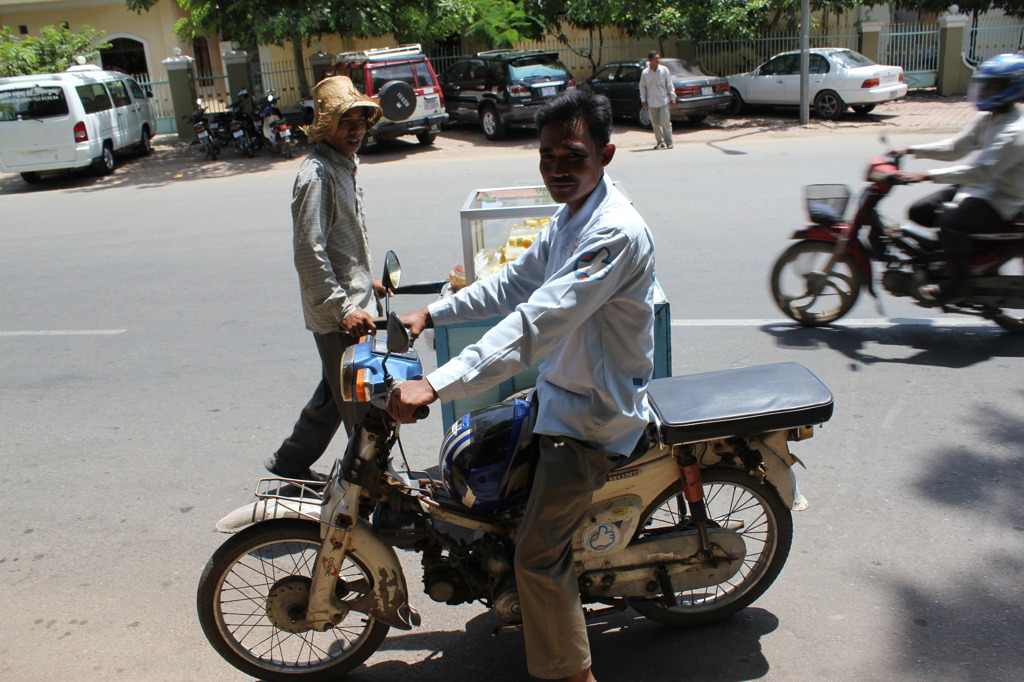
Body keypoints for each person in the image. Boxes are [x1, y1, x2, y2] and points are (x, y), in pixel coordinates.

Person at [387, 89, 656, 682]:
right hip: (560, 391)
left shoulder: (612, 234)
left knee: (538, 555)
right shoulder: (569, 218)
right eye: (547, 156)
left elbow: (537, 322)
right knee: (475, 452)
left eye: (574, 156)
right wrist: (432, 315)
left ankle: (572, 673)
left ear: (606, 155)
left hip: (591, 414)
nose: (558, 169)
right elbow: (513, 285)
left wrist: (436, 384)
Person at [263, 76, 385, 481]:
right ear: (325, 125)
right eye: (345, 120)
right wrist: (344, 307)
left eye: (360, 120)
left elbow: (343, 239)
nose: (355, 129)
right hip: (339, 315)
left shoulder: (344, 165)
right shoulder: (316, 176)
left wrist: (368, 281)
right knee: (361, 407)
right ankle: (367, 491)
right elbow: (308, 252)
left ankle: (291, 463)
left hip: (353, 303)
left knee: (335, 394)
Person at [895, 53, 1024, 302]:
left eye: (993, 86)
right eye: (985, 85)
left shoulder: (1014, 131)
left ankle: (959, 283)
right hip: (977, 188)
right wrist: (911, 150)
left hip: (1000, 200)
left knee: (951, 224)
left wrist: (925, 175)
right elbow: (957, 147)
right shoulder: (989, 119)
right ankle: (944, 260)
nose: (986, 90)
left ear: (1011, 88)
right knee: (920, 211)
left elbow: (980, 170)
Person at [639, 50, 674, 150]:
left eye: (658, 58)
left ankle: (669, 142)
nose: (658, 60)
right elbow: (642, 87)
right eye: (655, 58)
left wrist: (672, 97)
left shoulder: (664, 70)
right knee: (655, 123)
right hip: (651, 101)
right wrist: (643, 100)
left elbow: (669, 84)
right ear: (650, 60)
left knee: (665, 121)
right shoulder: (645, 73)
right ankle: (660, 142)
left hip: (663, 100)